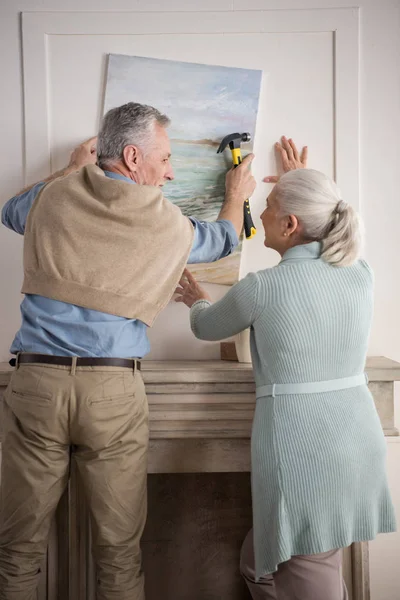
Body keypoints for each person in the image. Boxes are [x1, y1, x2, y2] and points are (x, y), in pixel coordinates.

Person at [0, 102, 256, 600]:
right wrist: (235, 193)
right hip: (112, 393)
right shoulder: (165, 222)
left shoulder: (53, 196)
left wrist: (72, 167)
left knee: (17, 552)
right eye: (164, 158)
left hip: (35, 387)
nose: (171, 170)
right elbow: (224, 240)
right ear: (134, 157)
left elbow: (10, 212)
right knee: (118, 556)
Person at [175, 136, 396, 600]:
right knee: (261, 563)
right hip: (356, 441)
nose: (262, 210)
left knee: (306, 563)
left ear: (291, 224)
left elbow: (206, 326)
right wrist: (299, 182)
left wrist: (196, 298)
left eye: (269, 204)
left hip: (302, 451)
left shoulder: (262, 287)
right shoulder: (362, 273)